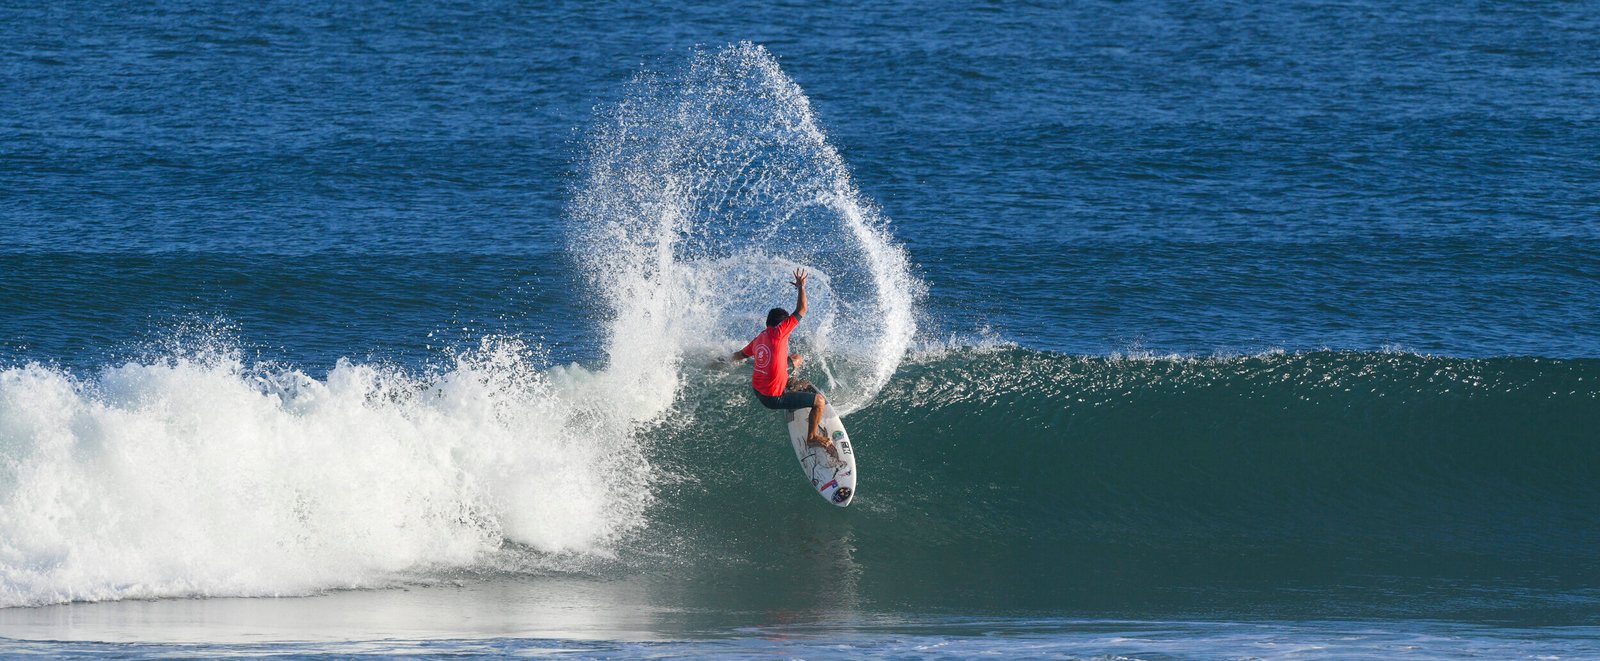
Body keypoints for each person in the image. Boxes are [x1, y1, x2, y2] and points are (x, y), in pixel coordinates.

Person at [728, 268, 837, 458]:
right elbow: (802, 309)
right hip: (772, 398)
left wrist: (721, 361)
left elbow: (739, 355)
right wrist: (801, 286)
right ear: (781, 324)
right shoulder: (780, 331)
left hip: (758, 390)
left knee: (795, 359)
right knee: (819, 402)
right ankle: (812, 437)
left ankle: (790, 384)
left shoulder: (759, 338)